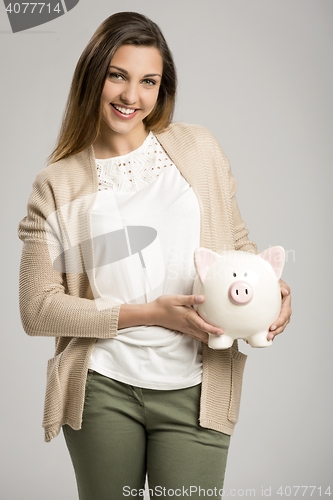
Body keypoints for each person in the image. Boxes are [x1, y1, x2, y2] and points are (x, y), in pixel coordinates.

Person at [17, 11, 292, 500]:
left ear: (162, 89)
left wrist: (270, 290)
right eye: (117, 75)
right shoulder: (56, 185)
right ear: (93, 74)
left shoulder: (198, 148)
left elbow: (238, 243)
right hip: (102, 386)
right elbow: (37, 309)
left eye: (149, 81)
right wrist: (150, 314)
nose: (131, 96)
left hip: (197, 386)